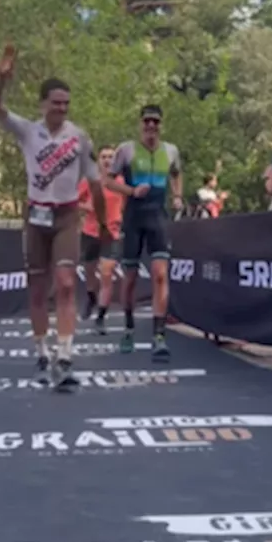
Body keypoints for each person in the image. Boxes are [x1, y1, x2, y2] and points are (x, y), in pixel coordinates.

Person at [0, 44, 110, 389]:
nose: (61, 108)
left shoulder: (79, 137)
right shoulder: (29, 130)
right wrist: (1, 80)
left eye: (66, 104)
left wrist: (101, 223)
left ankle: (66, 354)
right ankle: (41, 350)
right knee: (38, 287)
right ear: (43, 104)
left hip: (68, 216)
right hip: (36, 215)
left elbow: (95, 183)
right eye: (56, 103)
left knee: (68, 283)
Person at [106, 104, 184, 360]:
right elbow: (107, 180)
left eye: (155, 122)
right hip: (133, 219)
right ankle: (128, 327)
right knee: (129, 279)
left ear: (161, 125)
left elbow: (177, 172)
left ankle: (159, 336)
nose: (151, 126)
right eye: (147, 122)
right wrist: (130, 192)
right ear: (140, 124)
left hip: (158, 217)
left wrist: (177, 196)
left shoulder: (170, 150)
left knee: (160, 274)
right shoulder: (126, 150)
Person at [79, 145, 125, 333]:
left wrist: (123, 222)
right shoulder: (90, 181)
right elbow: (74, 200)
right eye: (104, 156)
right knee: (90, 272)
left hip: (112, 233)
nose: (107, 160)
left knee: (107, 274)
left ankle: (101, 317)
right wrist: (88, 207)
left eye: (111, 157)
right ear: (98, 161)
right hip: (91, 232)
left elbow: (128, 204)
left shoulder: (121, 181)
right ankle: (91, 296)